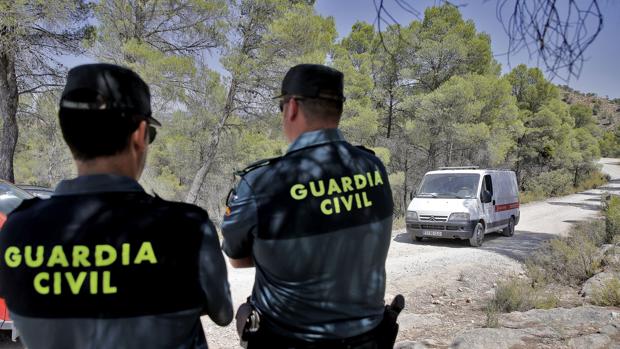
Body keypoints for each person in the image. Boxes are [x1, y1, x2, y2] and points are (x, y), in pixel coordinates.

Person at [0, 63, 233, 349]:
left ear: (67, 132)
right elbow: (222, 314)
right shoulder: (187, 229)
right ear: (139, 134)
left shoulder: (16, 232)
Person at [222, 64, 400, 348]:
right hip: (370, 338)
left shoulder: (261, 183)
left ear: (291, 107)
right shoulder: (373, 167)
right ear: (338, 110)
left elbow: (236, 257)